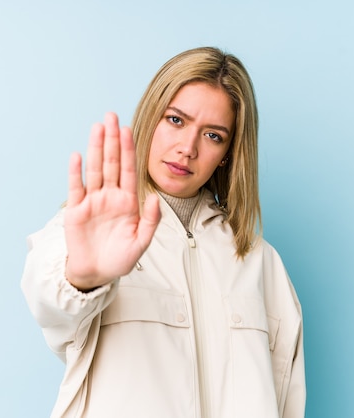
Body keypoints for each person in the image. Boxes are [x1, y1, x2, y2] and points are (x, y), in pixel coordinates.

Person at [21, 46, 305, 418]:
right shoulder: (90, 232)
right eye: (176, 120)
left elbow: (285, 397)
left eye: (213, 135)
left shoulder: (259, 262)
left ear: (229, 153)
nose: (187, 148)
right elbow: (50, 305)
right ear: (152, 116)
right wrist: (84, 278)